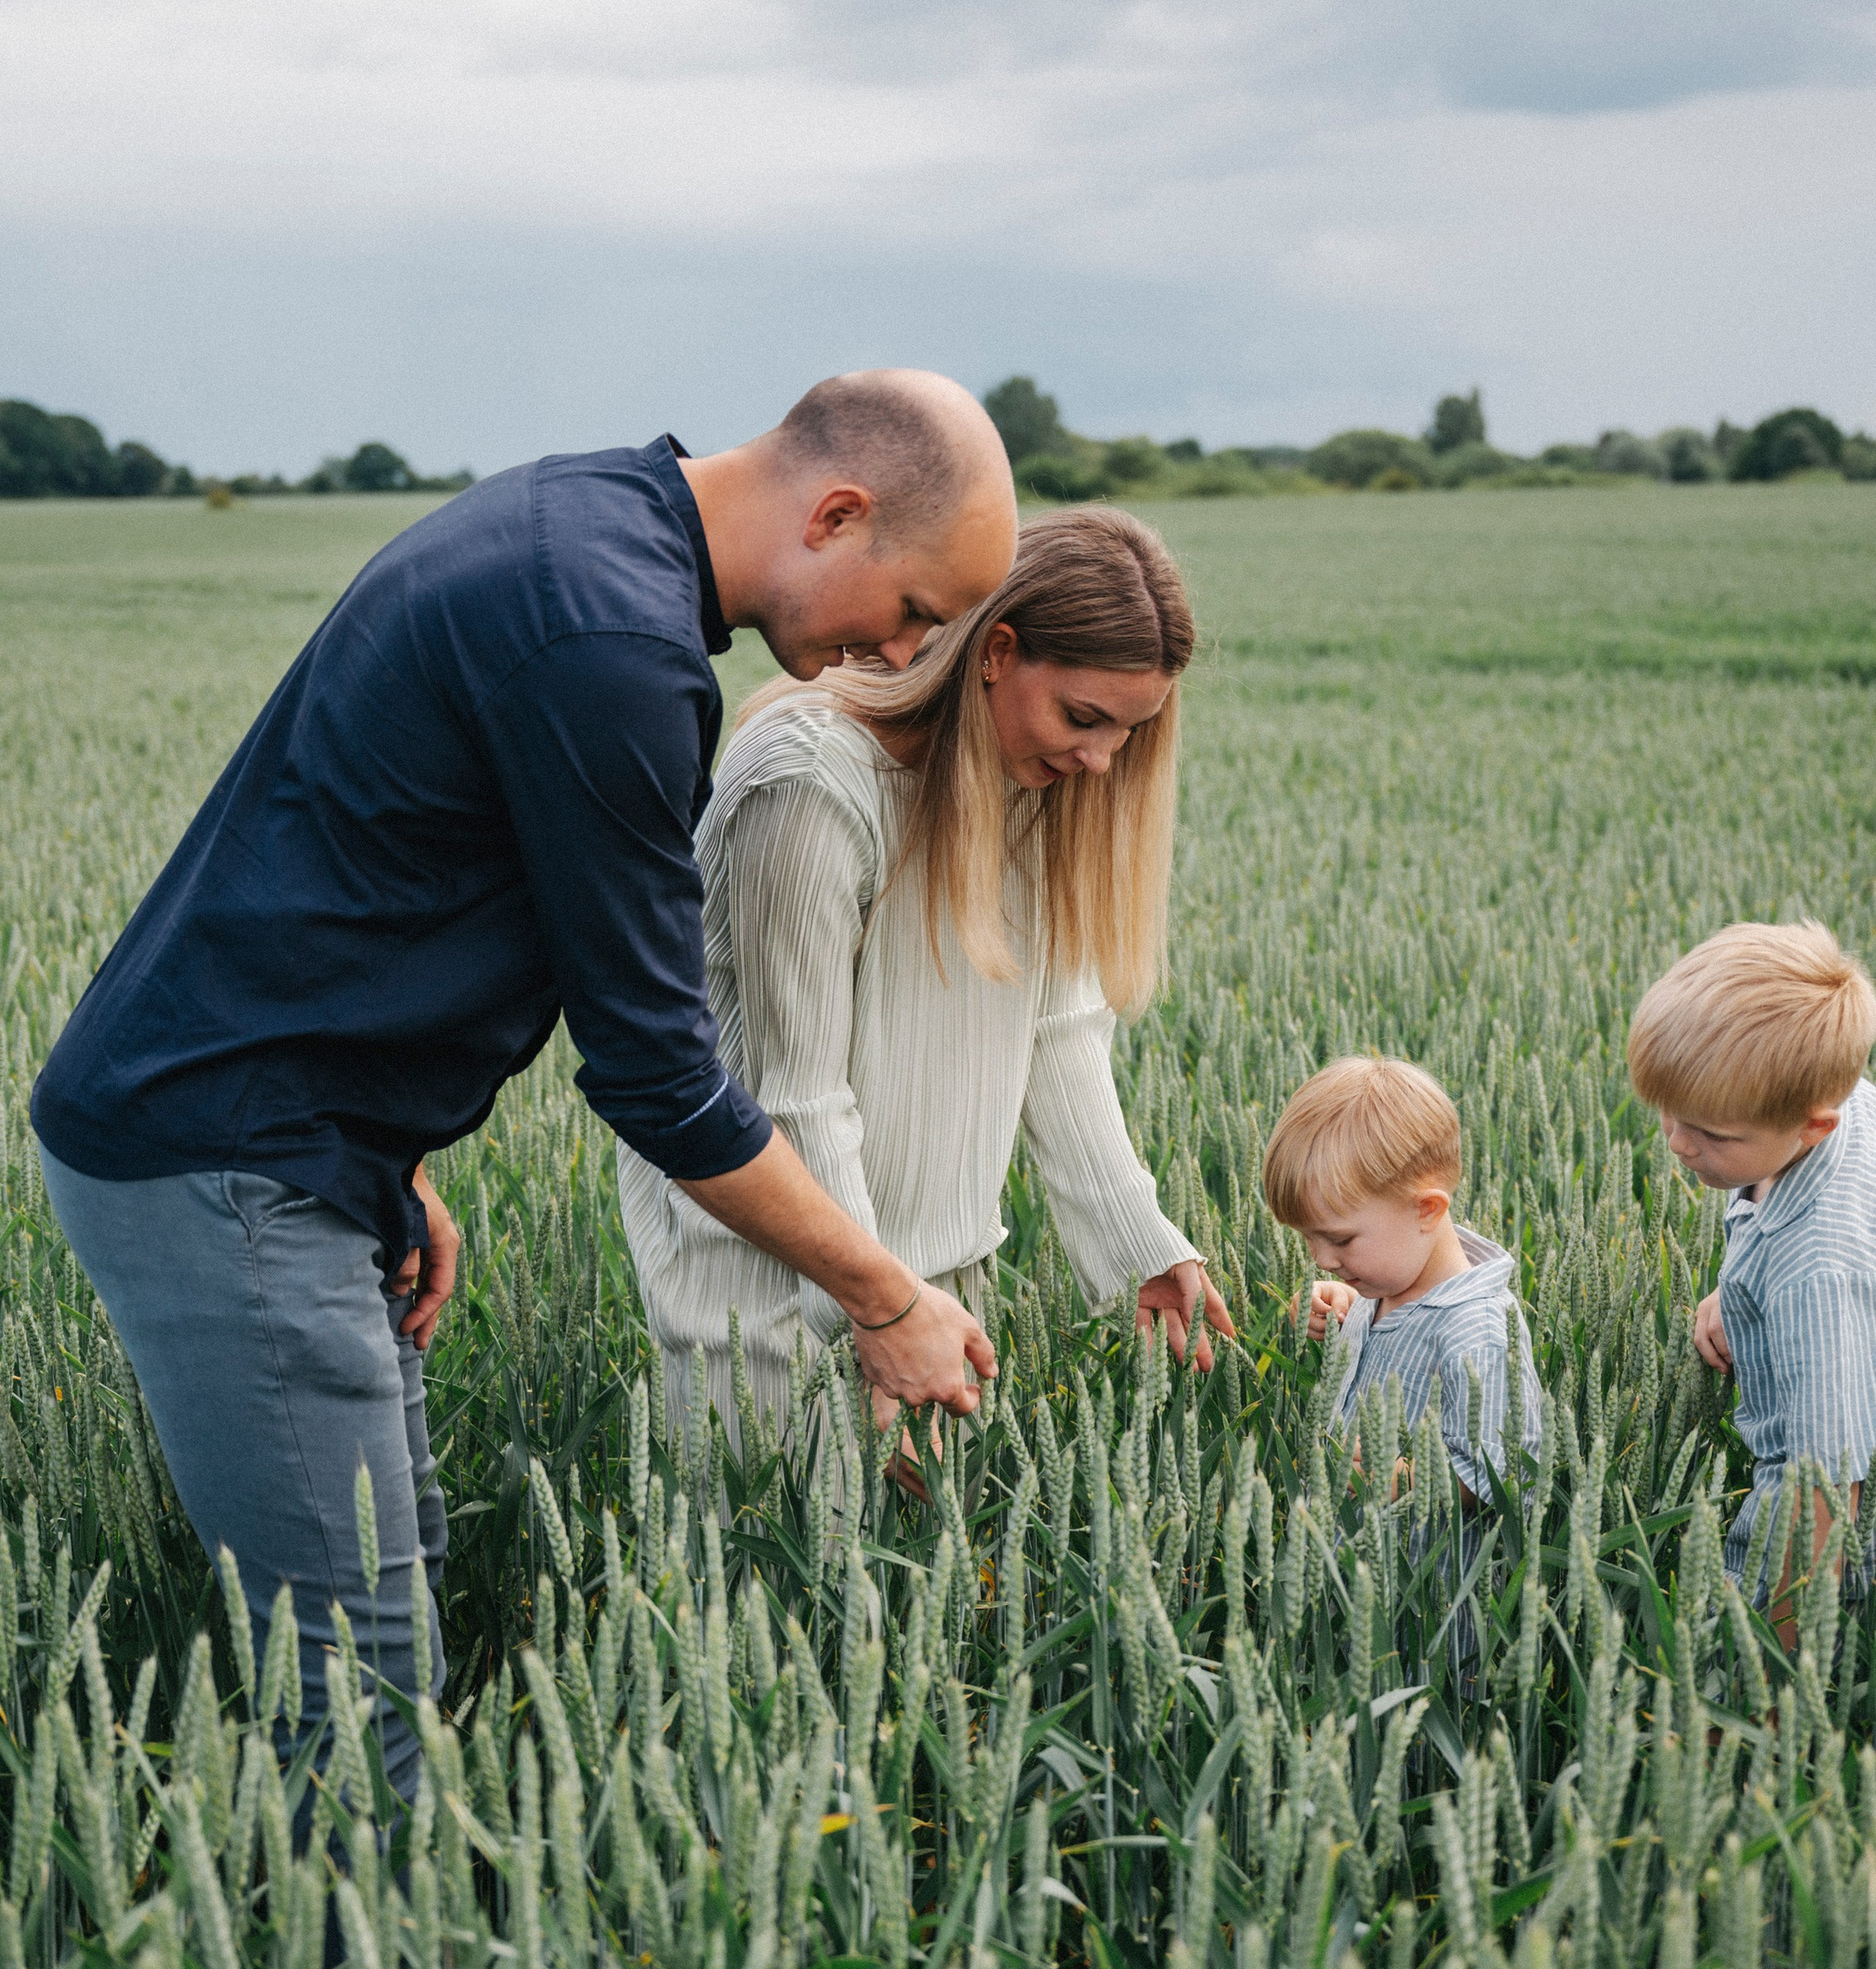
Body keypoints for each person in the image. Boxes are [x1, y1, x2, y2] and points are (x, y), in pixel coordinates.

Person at [32, 372, 1018, 1803]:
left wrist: (392, 1150)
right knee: (360, 1686)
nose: (905, 649)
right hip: (224, 1155)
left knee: (395, 1593)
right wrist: (890, 1298)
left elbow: (373, 845)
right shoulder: (614, 644)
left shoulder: (584, 522)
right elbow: (660, 1079)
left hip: (282, 1138)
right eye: (918, 608)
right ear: (840, 512)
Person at [619, 505, 1232, 1451]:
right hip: (766, 1304)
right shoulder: (810, 783)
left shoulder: (1033, 786)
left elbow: (1059, 1033)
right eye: (1083, 717)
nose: (1099, 761)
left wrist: (1138, 1247)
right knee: (770, 1592)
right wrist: (878, 1314)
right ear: (995, 650)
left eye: (1128, 734)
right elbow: (796, 1096)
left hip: (939, 1298)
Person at [1625, 918, 1876, 1613]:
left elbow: (1822, 1495)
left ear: (1813, 1123)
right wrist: (1742, 1294)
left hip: (1869, 1560)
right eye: (1669, 1112)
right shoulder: (1830, 1109)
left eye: (1712, 1134)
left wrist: (1775, 1667)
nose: (1677, 1142)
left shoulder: (1822, 1279)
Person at [1262, 1054, 1542, 1495]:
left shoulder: (1480, 1330)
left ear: (1426, 1210)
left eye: (1339, 1241)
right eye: (1307, 1240)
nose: (1321, 1259)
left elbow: (1506, 1471)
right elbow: (1393, 1332)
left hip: (1423, 1561)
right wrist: (1341, 1305)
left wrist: (1404, 1482)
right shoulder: (1387, 1282)